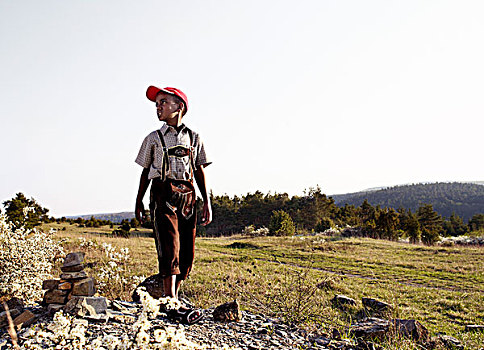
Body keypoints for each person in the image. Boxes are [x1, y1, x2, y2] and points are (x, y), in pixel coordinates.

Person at [134, 85, 212, 324]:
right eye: (156, 104)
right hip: (162, 192)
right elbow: (146, 172)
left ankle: (164, 293)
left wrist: (207, 202)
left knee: (187, 252)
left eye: (163, 102)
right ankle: (170, 300)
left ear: (179, 106)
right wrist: (138, 202)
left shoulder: (194, 137)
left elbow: (199, 170)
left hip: (188, 193)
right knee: (170, 244)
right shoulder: (153, 139)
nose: (158, 107)